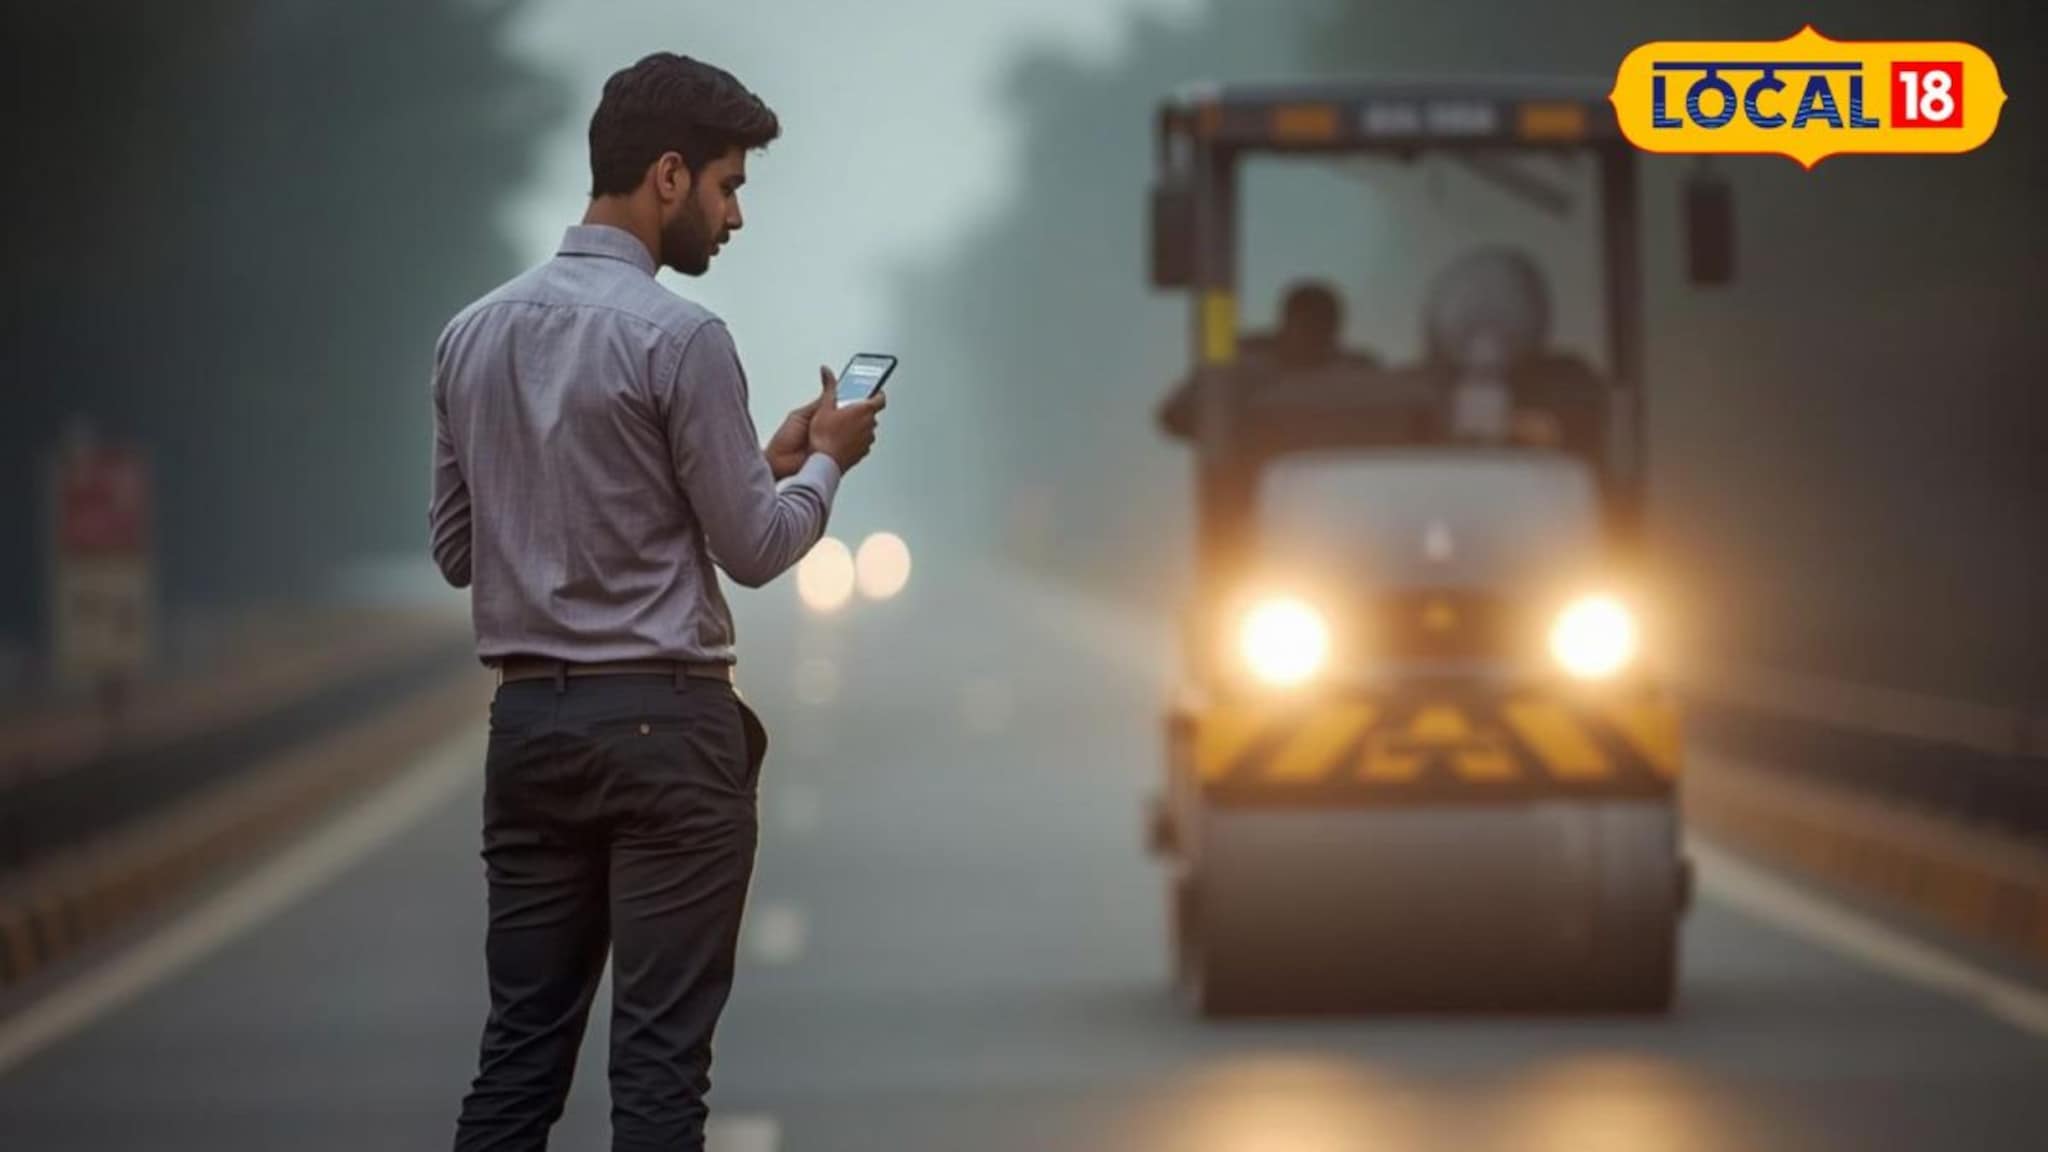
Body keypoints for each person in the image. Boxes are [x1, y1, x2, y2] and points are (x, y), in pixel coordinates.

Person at [428, 53, 883, 1151]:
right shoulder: (679, 337)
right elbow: (759, 550)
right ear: (668, 177)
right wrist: (823, 466)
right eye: (728, 186)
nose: (732, 216)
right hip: (667, 739)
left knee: (518, 1059)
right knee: (657, 1073)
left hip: (529, 730)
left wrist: (753, 459)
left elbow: (456, 551)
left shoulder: (471, 334)